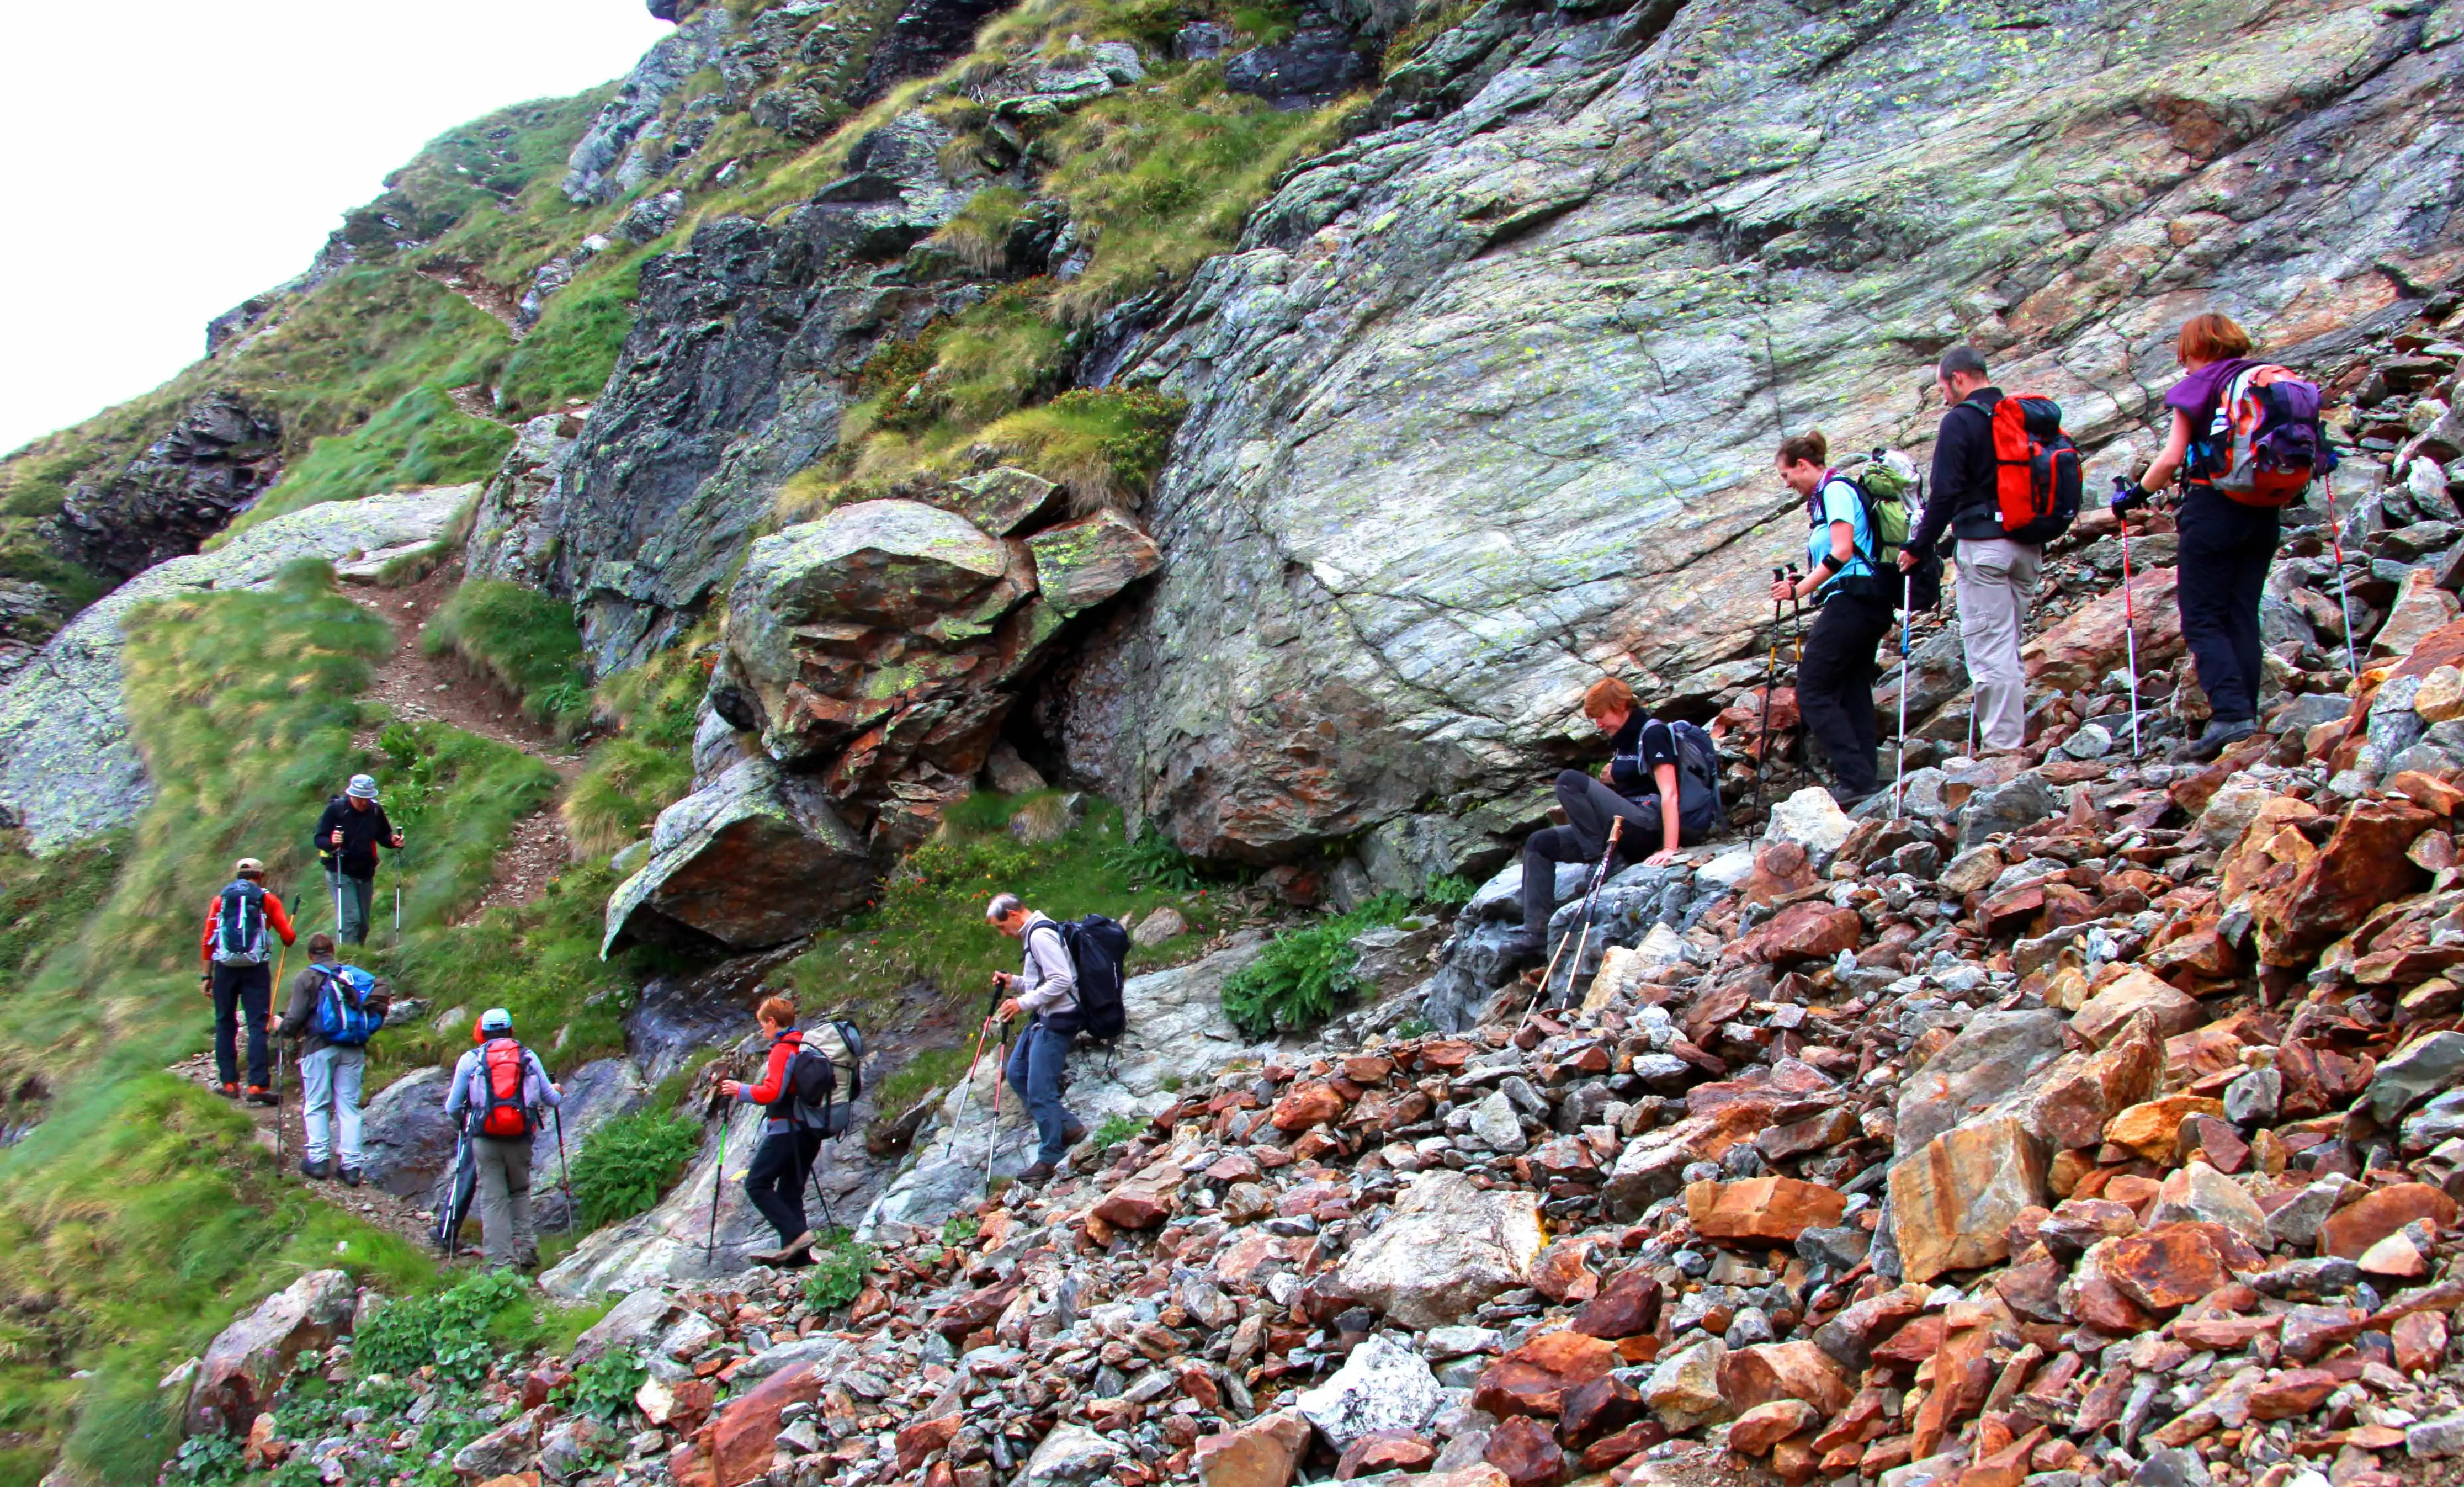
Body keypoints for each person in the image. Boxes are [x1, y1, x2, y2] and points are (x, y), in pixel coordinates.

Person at [2112, 312, 2276, 761]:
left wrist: (2133, 497)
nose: (2183, 364)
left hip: (2213, 510)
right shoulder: (2264, 382)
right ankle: (2248, 713)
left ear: (2198, 350)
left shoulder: (2201, 386)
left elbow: (2170, 460)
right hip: (2264, 512)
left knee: (2202, 617)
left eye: (2184, 354)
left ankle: (2230, 715)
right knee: (2242, 612)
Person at [1505, 677, 1717, 957]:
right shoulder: (1624, 742)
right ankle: (1536, 933)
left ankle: (1603, 860)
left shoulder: (1653, 734)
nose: (1599, 725)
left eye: (1601, 717)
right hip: (1623, 826)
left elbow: (1670, 794)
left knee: (1569, 780)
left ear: (1620, 706)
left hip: (1648, 825)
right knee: (1539, 843)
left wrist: (1669, 848)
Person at [1902, 346, 2042, 758]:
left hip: (1985, 550)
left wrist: (1918, 546)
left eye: (1943, 387)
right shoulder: (2019, 416)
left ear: (1958, 379)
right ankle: (2008, 738)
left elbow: (1945, 493)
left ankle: (2001, 751)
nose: (1943, 396)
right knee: (2008, 643)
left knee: (1990, 649)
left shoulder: (1961, 420)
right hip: (2027, 546)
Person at [1774, 431, 1892, 806]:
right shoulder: (1828, 496)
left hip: (1854, 599)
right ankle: (1865, 778)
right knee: (1852, 687)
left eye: (1787, 475)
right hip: (1861, 599)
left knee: (1813, 688)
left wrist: (1800, 589)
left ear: (1803, 466)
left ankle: (1854, 778)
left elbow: (1841, 551)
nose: (1787, 483)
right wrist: (1805, 580)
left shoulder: (1835, 491)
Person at [443, 1008, 562, 1270]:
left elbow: (452, 1107)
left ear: (483, 1033)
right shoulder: (528, 1057)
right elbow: (551, 1100)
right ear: (510, 1030)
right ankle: (526, 1250)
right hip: (520, 1136)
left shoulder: (471, 1060)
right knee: (519, 1191)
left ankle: (500, 1264)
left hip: (485, 1138)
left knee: (493, 1198)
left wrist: (464, 1123)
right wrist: (557, 1090)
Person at [986, 894, 1088, 1186]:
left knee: (1040, 1089)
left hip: (1058, 1020)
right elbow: (1042, 978)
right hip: (1044, 1016)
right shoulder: (1033, 934)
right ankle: (1068, 1127)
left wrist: (1022, 1003)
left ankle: (1050, 1157)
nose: (1003, 933)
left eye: (1001, 926)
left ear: (1015, 914)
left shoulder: (1040, 936)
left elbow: (1061, 981)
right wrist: (1014, 983)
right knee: (1018, 1074)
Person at [719, 994, 827, 1266]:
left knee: (756, 1183)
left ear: (771, 1021)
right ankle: (798, 1262)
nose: (762, 1031)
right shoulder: (804, 1046)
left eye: (762, 1026)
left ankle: (795, 1235)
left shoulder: (782, 1049)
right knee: (790, 1193)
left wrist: (739, 1090)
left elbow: (772, 1092)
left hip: (786, 1131)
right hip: (809, 1131)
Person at [277, 933, 379, 1184]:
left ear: (310, 955)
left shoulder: (307, 977)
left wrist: (281, 1027)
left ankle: (319, 1161)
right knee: (349, 1108)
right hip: (353, 1047)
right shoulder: (351, 976)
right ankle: (352, 1167)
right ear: (332, 951)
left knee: (317, 1104)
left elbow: (296, 1017)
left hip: (319, 1047)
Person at [199, 857, 298, 1104]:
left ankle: (230, 1083)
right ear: (260, 876)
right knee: (257, 1025)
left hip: (224, 968)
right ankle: (257, 1086)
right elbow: (288, 937)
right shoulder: (266, 899)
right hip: (256, 969)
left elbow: (208, 939)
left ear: (238, 876)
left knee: (224, 1023)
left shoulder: (220, 900)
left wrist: (206, 975)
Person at [313, 774, 403, 946]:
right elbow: (319, 839)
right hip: (340, 871)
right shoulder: (336, 810)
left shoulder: (375, 810)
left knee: (363, 925)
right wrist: (332, 842)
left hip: (365, 871)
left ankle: (357, 957)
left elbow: (384, 835)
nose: (364, 803)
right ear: (351, 795)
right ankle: (346, 961)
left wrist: (393, 842)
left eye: (367, 799)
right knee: (351, 920)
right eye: (360, 798)